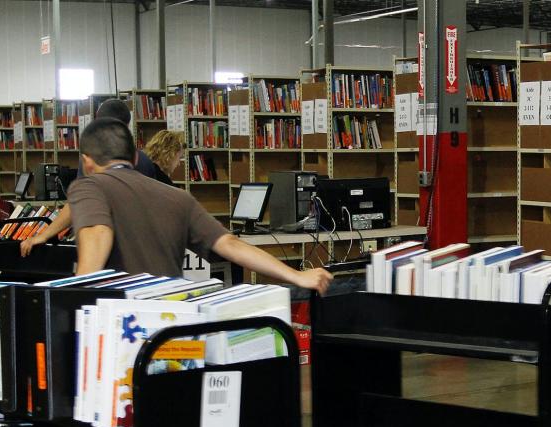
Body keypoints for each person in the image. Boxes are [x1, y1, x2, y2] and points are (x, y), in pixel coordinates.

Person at [68, 117, 331, 293]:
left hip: (118, 327)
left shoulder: (88, 186)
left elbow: (97, 231)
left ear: (86, 162)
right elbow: (230, 244)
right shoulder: (177, 196)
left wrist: (76, 297)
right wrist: (297, 276)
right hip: (170, 327)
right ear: (136, 157)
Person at [20, 99, 157, 256]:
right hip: (143, 248)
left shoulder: (93, 160)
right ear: (127, 125)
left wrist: (43, 235)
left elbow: (75, 205)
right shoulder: (143, 160)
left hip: (103, 248)